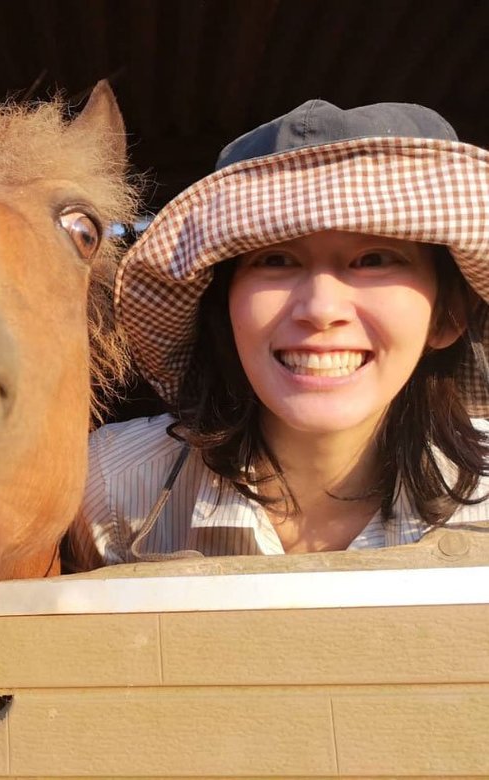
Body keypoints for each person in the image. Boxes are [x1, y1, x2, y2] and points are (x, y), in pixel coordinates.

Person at [68, 98, 489, 569]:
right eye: (276, 260)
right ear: (222, 309)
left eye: (374, 259)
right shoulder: (109, 489)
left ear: (448, 315)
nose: (321, 310)